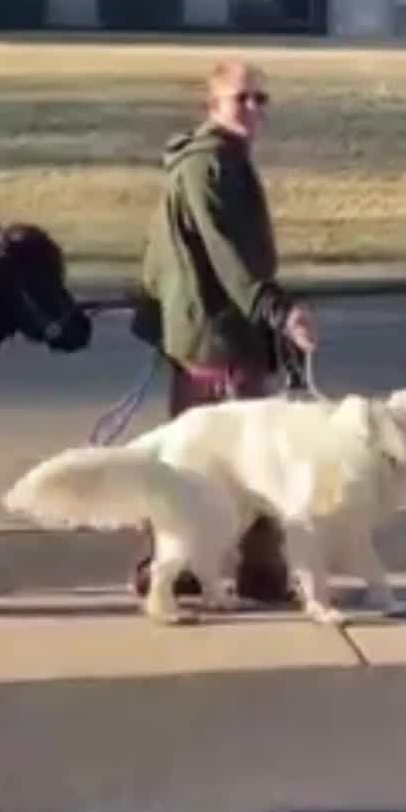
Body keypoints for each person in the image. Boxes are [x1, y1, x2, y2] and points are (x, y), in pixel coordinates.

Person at [128, 59, 319, 604]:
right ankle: (241, 572)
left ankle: (196, 568)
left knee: (202, 464)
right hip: (217, 344)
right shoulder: (208, 168)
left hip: (211, 335)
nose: (254, 109)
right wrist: (281, 314)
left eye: (261, 99)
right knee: (250, 464)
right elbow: (230, 261)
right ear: (212, 106)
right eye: (242, 99)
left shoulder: (221, 161)